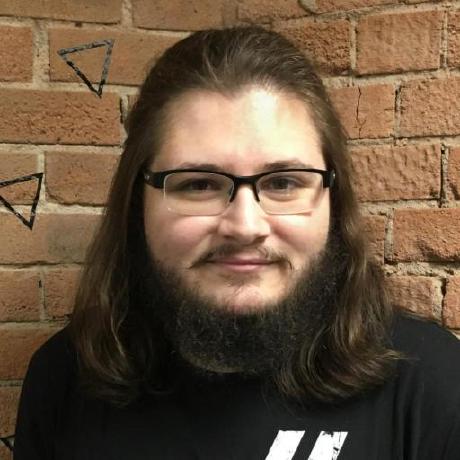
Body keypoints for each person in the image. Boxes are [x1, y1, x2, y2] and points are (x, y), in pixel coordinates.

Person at [14, 26, 460, 460]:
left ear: (333, 199)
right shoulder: (64, 379)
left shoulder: (432, 383)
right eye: (199, 184)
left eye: (283, 182)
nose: (245, 226)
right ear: (137, 204)